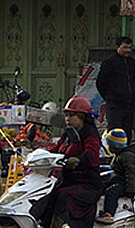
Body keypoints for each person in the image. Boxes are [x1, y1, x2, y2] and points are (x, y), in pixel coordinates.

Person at [43, 95, 103, 228]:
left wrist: (78, 160)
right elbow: (56, 149)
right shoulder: (68, 134)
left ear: (82, 117)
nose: (67, 119)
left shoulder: (90, 135)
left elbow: (91, 154)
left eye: (72, 115)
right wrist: (40, 152)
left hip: (87, 184)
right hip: (68, 180)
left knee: (62, 195)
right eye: (66, 115)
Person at [96, 36, 135, 141]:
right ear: (118, 47)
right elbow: (101, 83)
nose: (128, 50)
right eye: (125, 47)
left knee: (127, 134)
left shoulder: (132, 63)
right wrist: (110, 97)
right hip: (115, 105)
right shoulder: (110, 63)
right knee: (115, 134)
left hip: (128, 105)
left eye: (129, 48)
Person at [98, 128, 135, 224]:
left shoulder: (127, 156)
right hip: (117, 179)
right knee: (100, 186)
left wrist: (130, 190)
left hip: (124, 183)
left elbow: (131, 174)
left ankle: (109, 214)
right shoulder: (119, 154)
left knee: (111, 192)